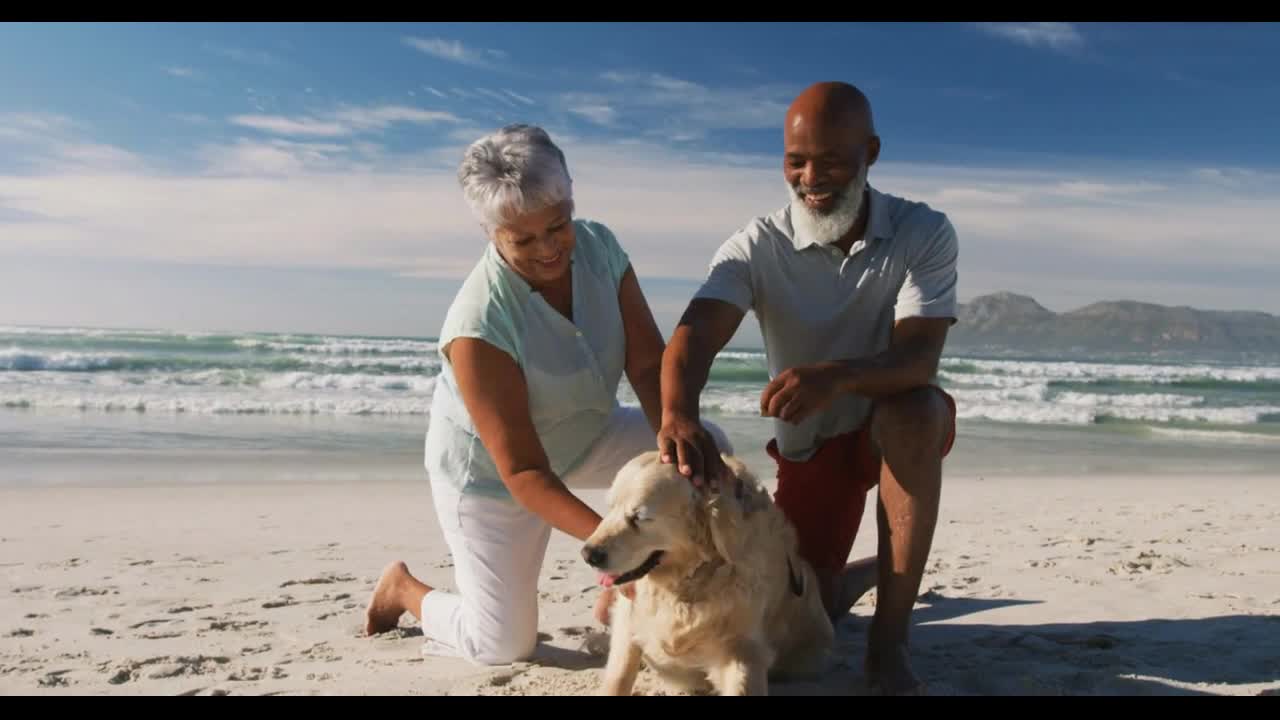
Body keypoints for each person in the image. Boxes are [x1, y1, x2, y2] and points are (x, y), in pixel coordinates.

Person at [363, 124, 731, 666]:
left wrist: (675, 443)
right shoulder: (478, 324)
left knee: (703, 443)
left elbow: (649, 365)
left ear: (571, 201)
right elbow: (525, 473)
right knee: (503, 645)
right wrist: (621, 549)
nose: (549, 248)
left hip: (588, 436)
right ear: (491, 233)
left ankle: (613, 593)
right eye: (523, 239)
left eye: (557, 226)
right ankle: (405, 591)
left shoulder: (601, 246)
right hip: (492, 480)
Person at [656, 82, 958, 695]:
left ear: (870, 152)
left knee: (917, 412)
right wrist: (677, 412)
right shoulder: (756, 243)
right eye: (796, 161)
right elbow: (693, 338)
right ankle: (861, 574)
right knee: (801, 607)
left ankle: (889, 640)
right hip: (811, 446)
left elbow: (919, 356)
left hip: (888, 426)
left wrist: (837, 375)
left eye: (832, 160)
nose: (811, 177)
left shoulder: (923, 231)